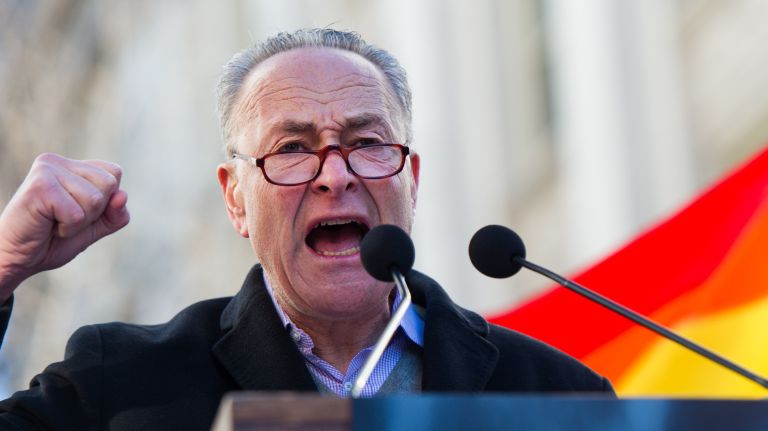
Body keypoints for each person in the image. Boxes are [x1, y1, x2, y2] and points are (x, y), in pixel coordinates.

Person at [0, 29, 613, 430]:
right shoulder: (123, 385)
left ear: (412, 180)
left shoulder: (559, 397)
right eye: (292, 148)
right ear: (235, 198)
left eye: (367, 143)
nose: (335, 175)